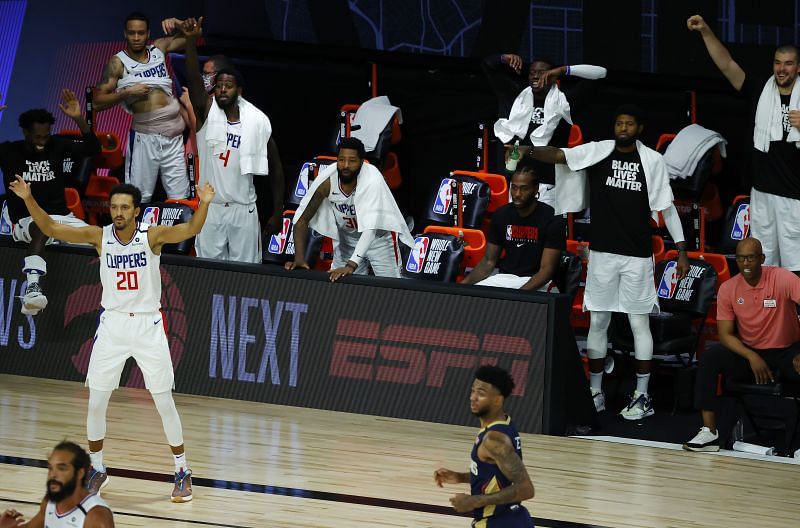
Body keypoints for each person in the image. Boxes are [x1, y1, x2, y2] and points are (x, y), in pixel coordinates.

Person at [8, 175, 216, 502]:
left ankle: (182, 470)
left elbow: (190, 230)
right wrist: (28, 198)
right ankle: (97, 468)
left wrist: (203, 203)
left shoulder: (153, 236)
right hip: (113, 325)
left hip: (148, 325)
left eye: (124, 207)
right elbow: (49, 229)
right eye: (114, 206)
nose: (118, 212)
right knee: (96, 400)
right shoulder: (99, 236)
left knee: (163, 401)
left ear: (137, 212)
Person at [531, 105, 690, 420]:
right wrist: (529, 151)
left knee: (638, 324)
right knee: (598, 322)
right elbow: (562, 156)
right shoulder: (599, 152)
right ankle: (595, 391)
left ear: (639, 128)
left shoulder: (653, 161)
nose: (623, 128)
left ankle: (642, 396)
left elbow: (666, 206)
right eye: (619, 122)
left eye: (629, 123)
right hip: (602, 253)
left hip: (638, 256)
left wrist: (682, 249)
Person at [688, 15, 800, 273]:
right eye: (777, 63)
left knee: (795, 266)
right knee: (766, 263)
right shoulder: (761, 90)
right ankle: (770, 311)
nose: (782, 69)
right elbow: (726, 64)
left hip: (795, 198)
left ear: (798, 68)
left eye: (789, 64)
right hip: (762, 193)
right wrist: (706, 31)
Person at [180, 17, 285, 262]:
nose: (223, 90)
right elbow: (194, 79)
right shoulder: (206, 112)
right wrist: (190, 42)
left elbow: (276, 167)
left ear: (239, 91)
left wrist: (278, 209)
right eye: (219, 86)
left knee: (246, 276)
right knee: (207, 271)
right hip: (211, 208)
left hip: (243, 209)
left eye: (228, 85)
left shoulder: (257, 121)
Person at [684, 238, 800, 452]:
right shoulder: (729, 288)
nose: (745, 263)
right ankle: (709, 432)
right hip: (750, 352)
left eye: (751, 258)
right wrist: (751, 356)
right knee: (710, 357)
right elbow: (725, 335)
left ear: (762, 259)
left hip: (786, 349)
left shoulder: (782, 278)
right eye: (740, 258)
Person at [0, 90, 100, 316]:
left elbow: (93, 149)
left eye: (46, 136)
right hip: (27, 221)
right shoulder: (9, 152)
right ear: (25, 132)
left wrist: (78, 119)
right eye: (37, 137)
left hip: (62, 217)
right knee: (42, 228)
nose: (42, 142)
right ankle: (33, 289)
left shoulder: (57, 145)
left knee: (101, 237)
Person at [285, 137, 414, 281]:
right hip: (347, 240)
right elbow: (302, 219)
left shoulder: (372, 180)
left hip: (379, 240)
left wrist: (351, 265)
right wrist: (299, 258)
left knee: (392, 290)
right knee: (342, 289)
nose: (345, 165)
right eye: (341, 160)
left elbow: (370, 230)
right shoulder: (327, 183)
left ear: (361, 162)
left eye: (352, 161)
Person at [94, 12, 190, 204]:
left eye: (140, 33)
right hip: (145, 139)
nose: (136, 38)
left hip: (174, 138)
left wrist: (179, 23)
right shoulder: (118, 63)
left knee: (181, 199)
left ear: (148, 33)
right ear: (125, 34)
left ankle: (179, 235)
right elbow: (96, 101)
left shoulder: (159, 48)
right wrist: (127, 93)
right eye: (131, 33)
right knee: (137, 198)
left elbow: (194, 35)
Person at [487, 54, 606, 206]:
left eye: (542, 73)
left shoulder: (565, 102)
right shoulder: (516, 98)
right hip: (517, 185)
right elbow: (488, 65)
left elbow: (600, 74)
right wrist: (503, 58)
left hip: (548, 186)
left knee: (543, 229)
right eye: (532, 73)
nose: (536, 76)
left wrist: (563, 70)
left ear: (553, 76)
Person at [433, 365, 535, 527]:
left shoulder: (494, 440)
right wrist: (460, 477)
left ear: (497, 400)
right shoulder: (503, 424)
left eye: (481, 393)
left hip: (499, 522)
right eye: (472, 391)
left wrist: (474, 500)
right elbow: (498, 475)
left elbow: (526, 489)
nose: (473, 397)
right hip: (513, 518)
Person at [462, 158, 565, 290]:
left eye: (524, 189)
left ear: (535, 189)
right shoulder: (501, 215)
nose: (517, 194)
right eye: (514, 188)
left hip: (537, 281)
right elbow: (489, 261)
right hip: (504, 278)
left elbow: (546, 270)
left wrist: (518, 296)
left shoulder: (552, 219)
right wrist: (462, 286)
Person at [0, 441, 114, 528]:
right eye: (50, 468)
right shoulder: (50, 502)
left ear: (80, 472)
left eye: (61, 468)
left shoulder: (96, 516)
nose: (53, 475)